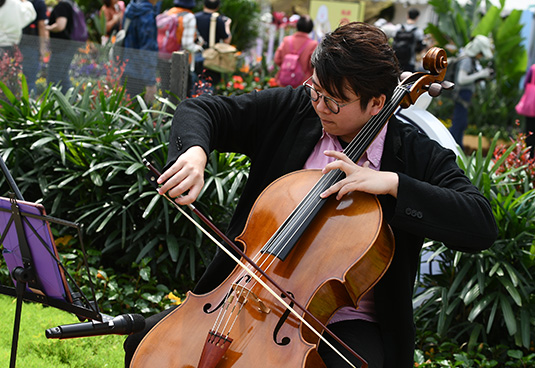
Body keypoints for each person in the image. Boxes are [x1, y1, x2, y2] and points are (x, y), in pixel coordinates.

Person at [123, 22, 498, 367]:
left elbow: (480, 222)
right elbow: (203, 110)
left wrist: (393, 183)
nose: (319, 105)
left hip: (348, 324)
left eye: (333, 101)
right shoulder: (295, 111)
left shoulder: (415, 154)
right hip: (245, 295)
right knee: (142, 341)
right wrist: (195, 152)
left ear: (377, 104)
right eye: (315, 89)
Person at [448, 35, 494, 147]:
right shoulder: (467, 60)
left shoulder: (469, 60)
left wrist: (481, 77)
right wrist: (480, 74)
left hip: (465, 95)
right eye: (481, 53)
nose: (481, 56)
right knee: (458, 124)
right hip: (461, 95)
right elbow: (461, 79)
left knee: (461, 124)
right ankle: (452, 147)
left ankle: (457, 148)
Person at [156, 0, 202, 96]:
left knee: (165, 91)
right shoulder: (189, 17)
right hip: (180, 61)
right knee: (180, 94)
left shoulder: (168, 12)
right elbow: (187, 44)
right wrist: (199, 48)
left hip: (163, 57)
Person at [120, 0, 160, 102]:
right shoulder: (147, 15)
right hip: (140, 74)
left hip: (126, 68)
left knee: (128, 110)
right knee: (142, 113)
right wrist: (150, 83)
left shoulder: (131, 7)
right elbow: (148, 51)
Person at [194, 0, 231, 88]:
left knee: (194, 84)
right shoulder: (219, 20)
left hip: (195, 54)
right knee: (208, 85)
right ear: (217, 7)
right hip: (212, 57)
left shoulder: (194, 17)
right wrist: (227, 25)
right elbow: (227, 40)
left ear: (204, 4)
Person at [274, 15, 317, 87]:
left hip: (285, 83)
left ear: (297, 26)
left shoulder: (286, 40)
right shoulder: (313, 45)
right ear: (310, 28)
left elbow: (277, 60)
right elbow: (313, 67)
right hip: (303, 86)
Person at [46, 0, 76, 93]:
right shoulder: (72, 5)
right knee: (63, 77)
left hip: (62, 47)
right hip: (69, 46)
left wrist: (47, 27)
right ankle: (71, 103)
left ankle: (53, 103)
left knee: (53, 79)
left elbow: (60, 26)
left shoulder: (62, 6)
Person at [19, 0, 48, 93]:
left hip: (14, 43)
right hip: (31, 45)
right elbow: (41, 25)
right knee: (29, 80)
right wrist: (42, 47)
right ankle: (29, 106)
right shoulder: (39, 3)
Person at [391, 8, 424, 72]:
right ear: (417, 18)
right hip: (410, 62)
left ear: (407, 16)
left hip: (396, 60)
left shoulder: (398, 27)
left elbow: (393, 40)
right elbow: (419, 48)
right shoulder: (418, 31)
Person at [519, 64, 535, 157]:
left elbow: (525, 84)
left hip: (531, 106)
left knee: (529, 132)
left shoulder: (533, 68)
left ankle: (529, 159)